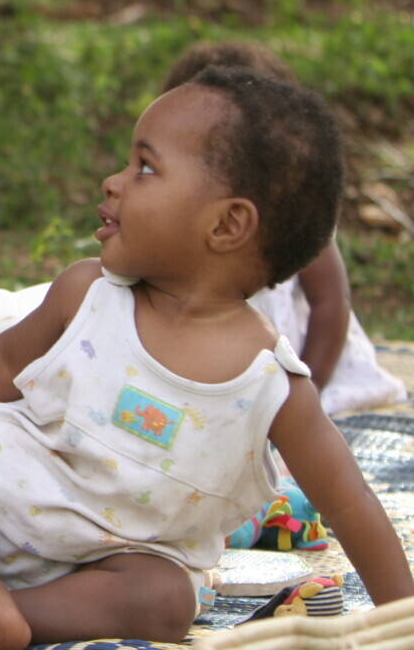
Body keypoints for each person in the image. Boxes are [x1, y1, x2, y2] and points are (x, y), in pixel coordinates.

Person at [0, 66, 414, 649]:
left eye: (145, 167)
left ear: (226, 225)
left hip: (114, 567)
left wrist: (404, 625)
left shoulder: (272, 386)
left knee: (165, 602)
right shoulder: (88, 295)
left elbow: (350, 504)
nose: (114, 181)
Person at [162, 40, 406, 414]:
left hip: (302, 357)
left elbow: (330, 301)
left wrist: (310, 389)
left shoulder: (293, 207)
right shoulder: (171, 204)